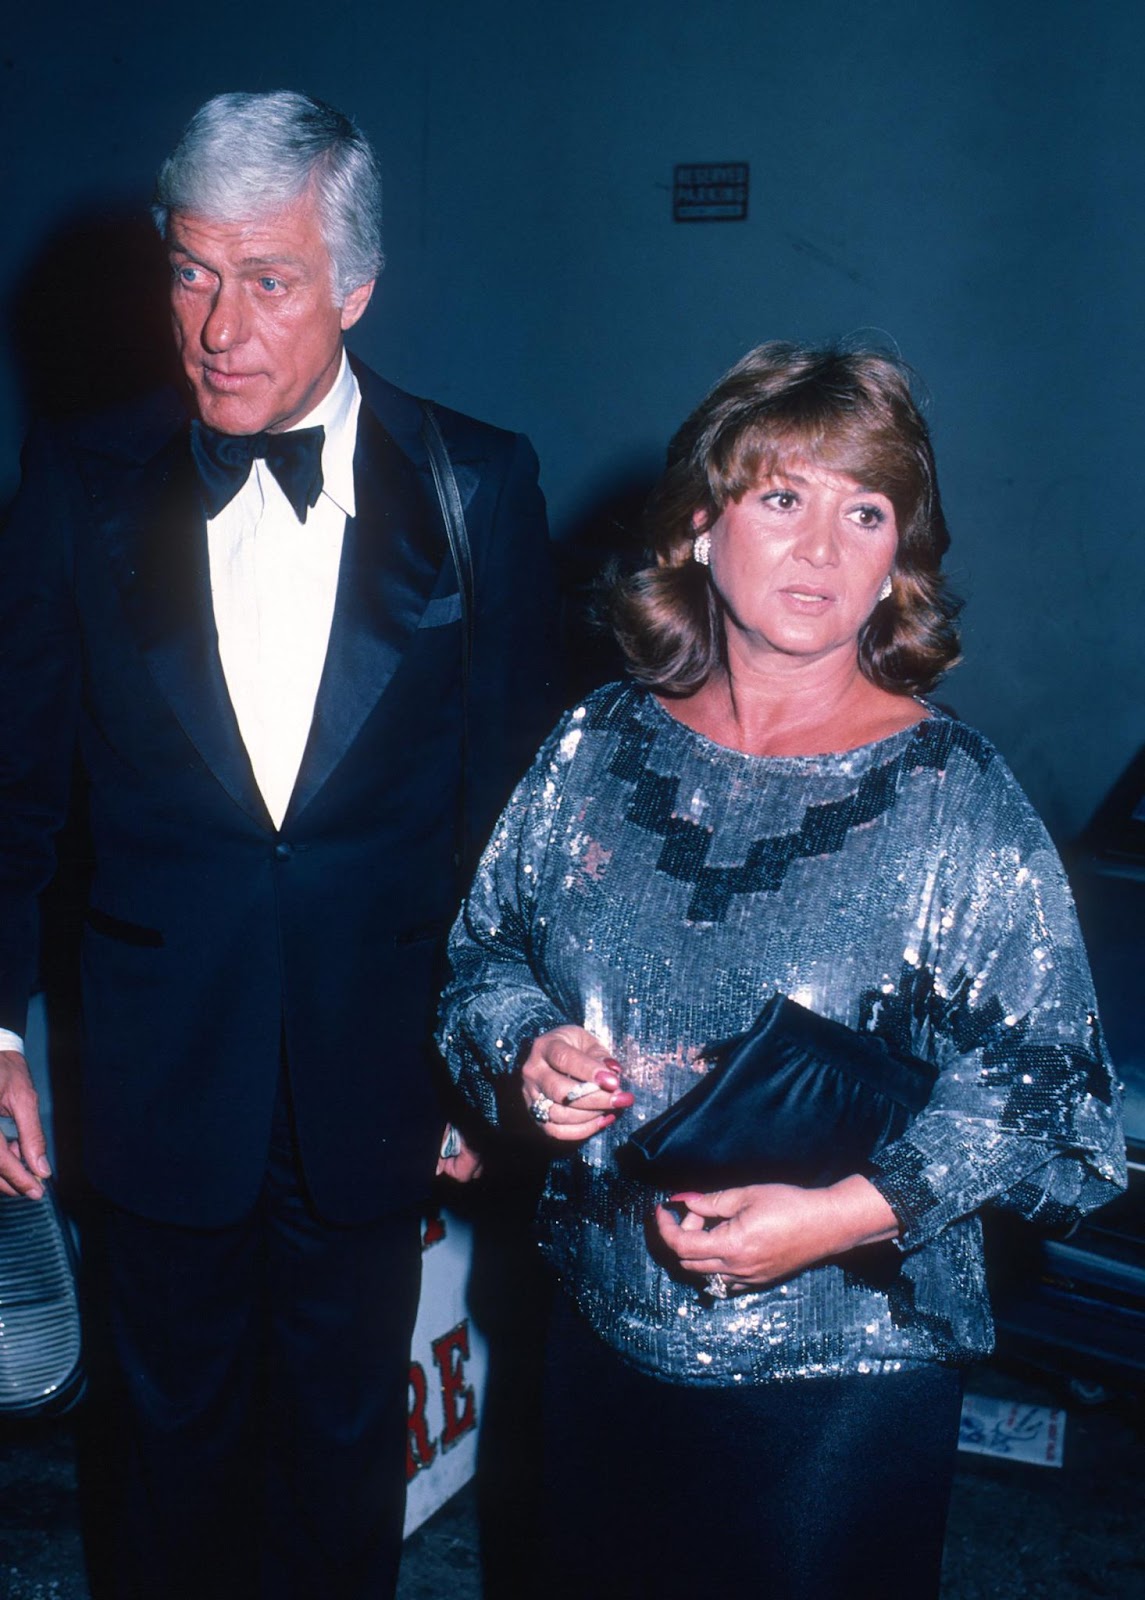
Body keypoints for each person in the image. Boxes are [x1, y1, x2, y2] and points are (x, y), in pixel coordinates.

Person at [438, 342, 1126, 1599]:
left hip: (839, 1376)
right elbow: (484, 953)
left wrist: (842, 1213)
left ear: (896, 561)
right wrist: (525, 1046)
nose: (820, 547)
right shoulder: (599, 744)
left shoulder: (950, 799)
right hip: (597, 1329)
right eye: (780, 497)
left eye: (864, 512)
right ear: (699, 529)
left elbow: (1054, 1101)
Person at [0, 90, 557, 1600]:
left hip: (376, 1075)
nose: (219, 328)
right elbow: (14, 787)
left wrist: (486, 1061)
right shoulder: (79, 479)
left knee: (338, 1458)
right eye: (191, 272)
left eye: (269, 279)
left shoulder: (477, 485)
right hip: (153, 1071)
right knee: (158, 1461)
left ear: (355, 289)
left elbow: (508, 818)